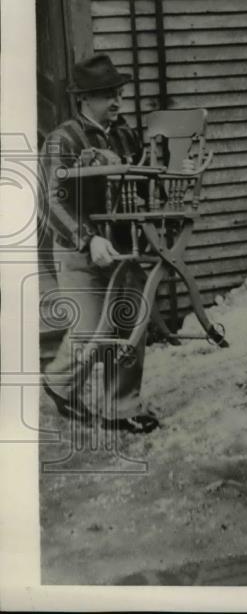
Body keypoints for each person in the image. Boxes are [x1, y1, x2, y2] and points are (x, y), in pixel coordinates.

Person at [40, 54, 160, 434]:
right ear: (83, 100)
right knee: (91, 330)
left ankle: (120, 407)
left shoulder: (124, 135)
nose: (116, 102)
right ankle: (59, 383)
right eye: (105, 94)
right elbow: (50, 202)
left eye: (118, 94)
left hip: (123, 246)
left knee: (130, 323)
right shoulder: (63, 140)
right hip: (80, 252)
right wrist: (86, 239)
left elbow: (138, 182)